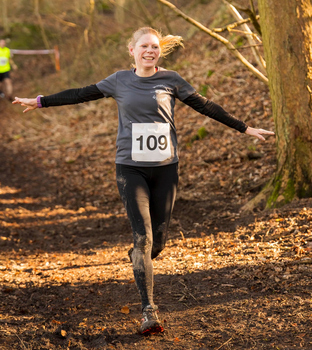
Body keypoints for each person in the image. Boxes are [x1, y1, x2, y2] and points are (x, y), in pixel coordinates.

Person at [13, 27, 274, 335]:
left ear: (158, 51)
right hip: (130, 169)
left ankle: (139, 258)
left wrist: (245, 128)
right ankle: (149, 310)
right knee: (144, 238)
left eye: (154, 46)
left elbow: (205, 105)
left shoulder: (172, 80)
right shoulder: (119, 80)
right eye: (144, 46)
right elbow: (80, 94)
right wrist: (41, 101)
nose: (149, 51)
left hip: (166, 169)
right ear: (132, 51)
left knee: (157, 244)